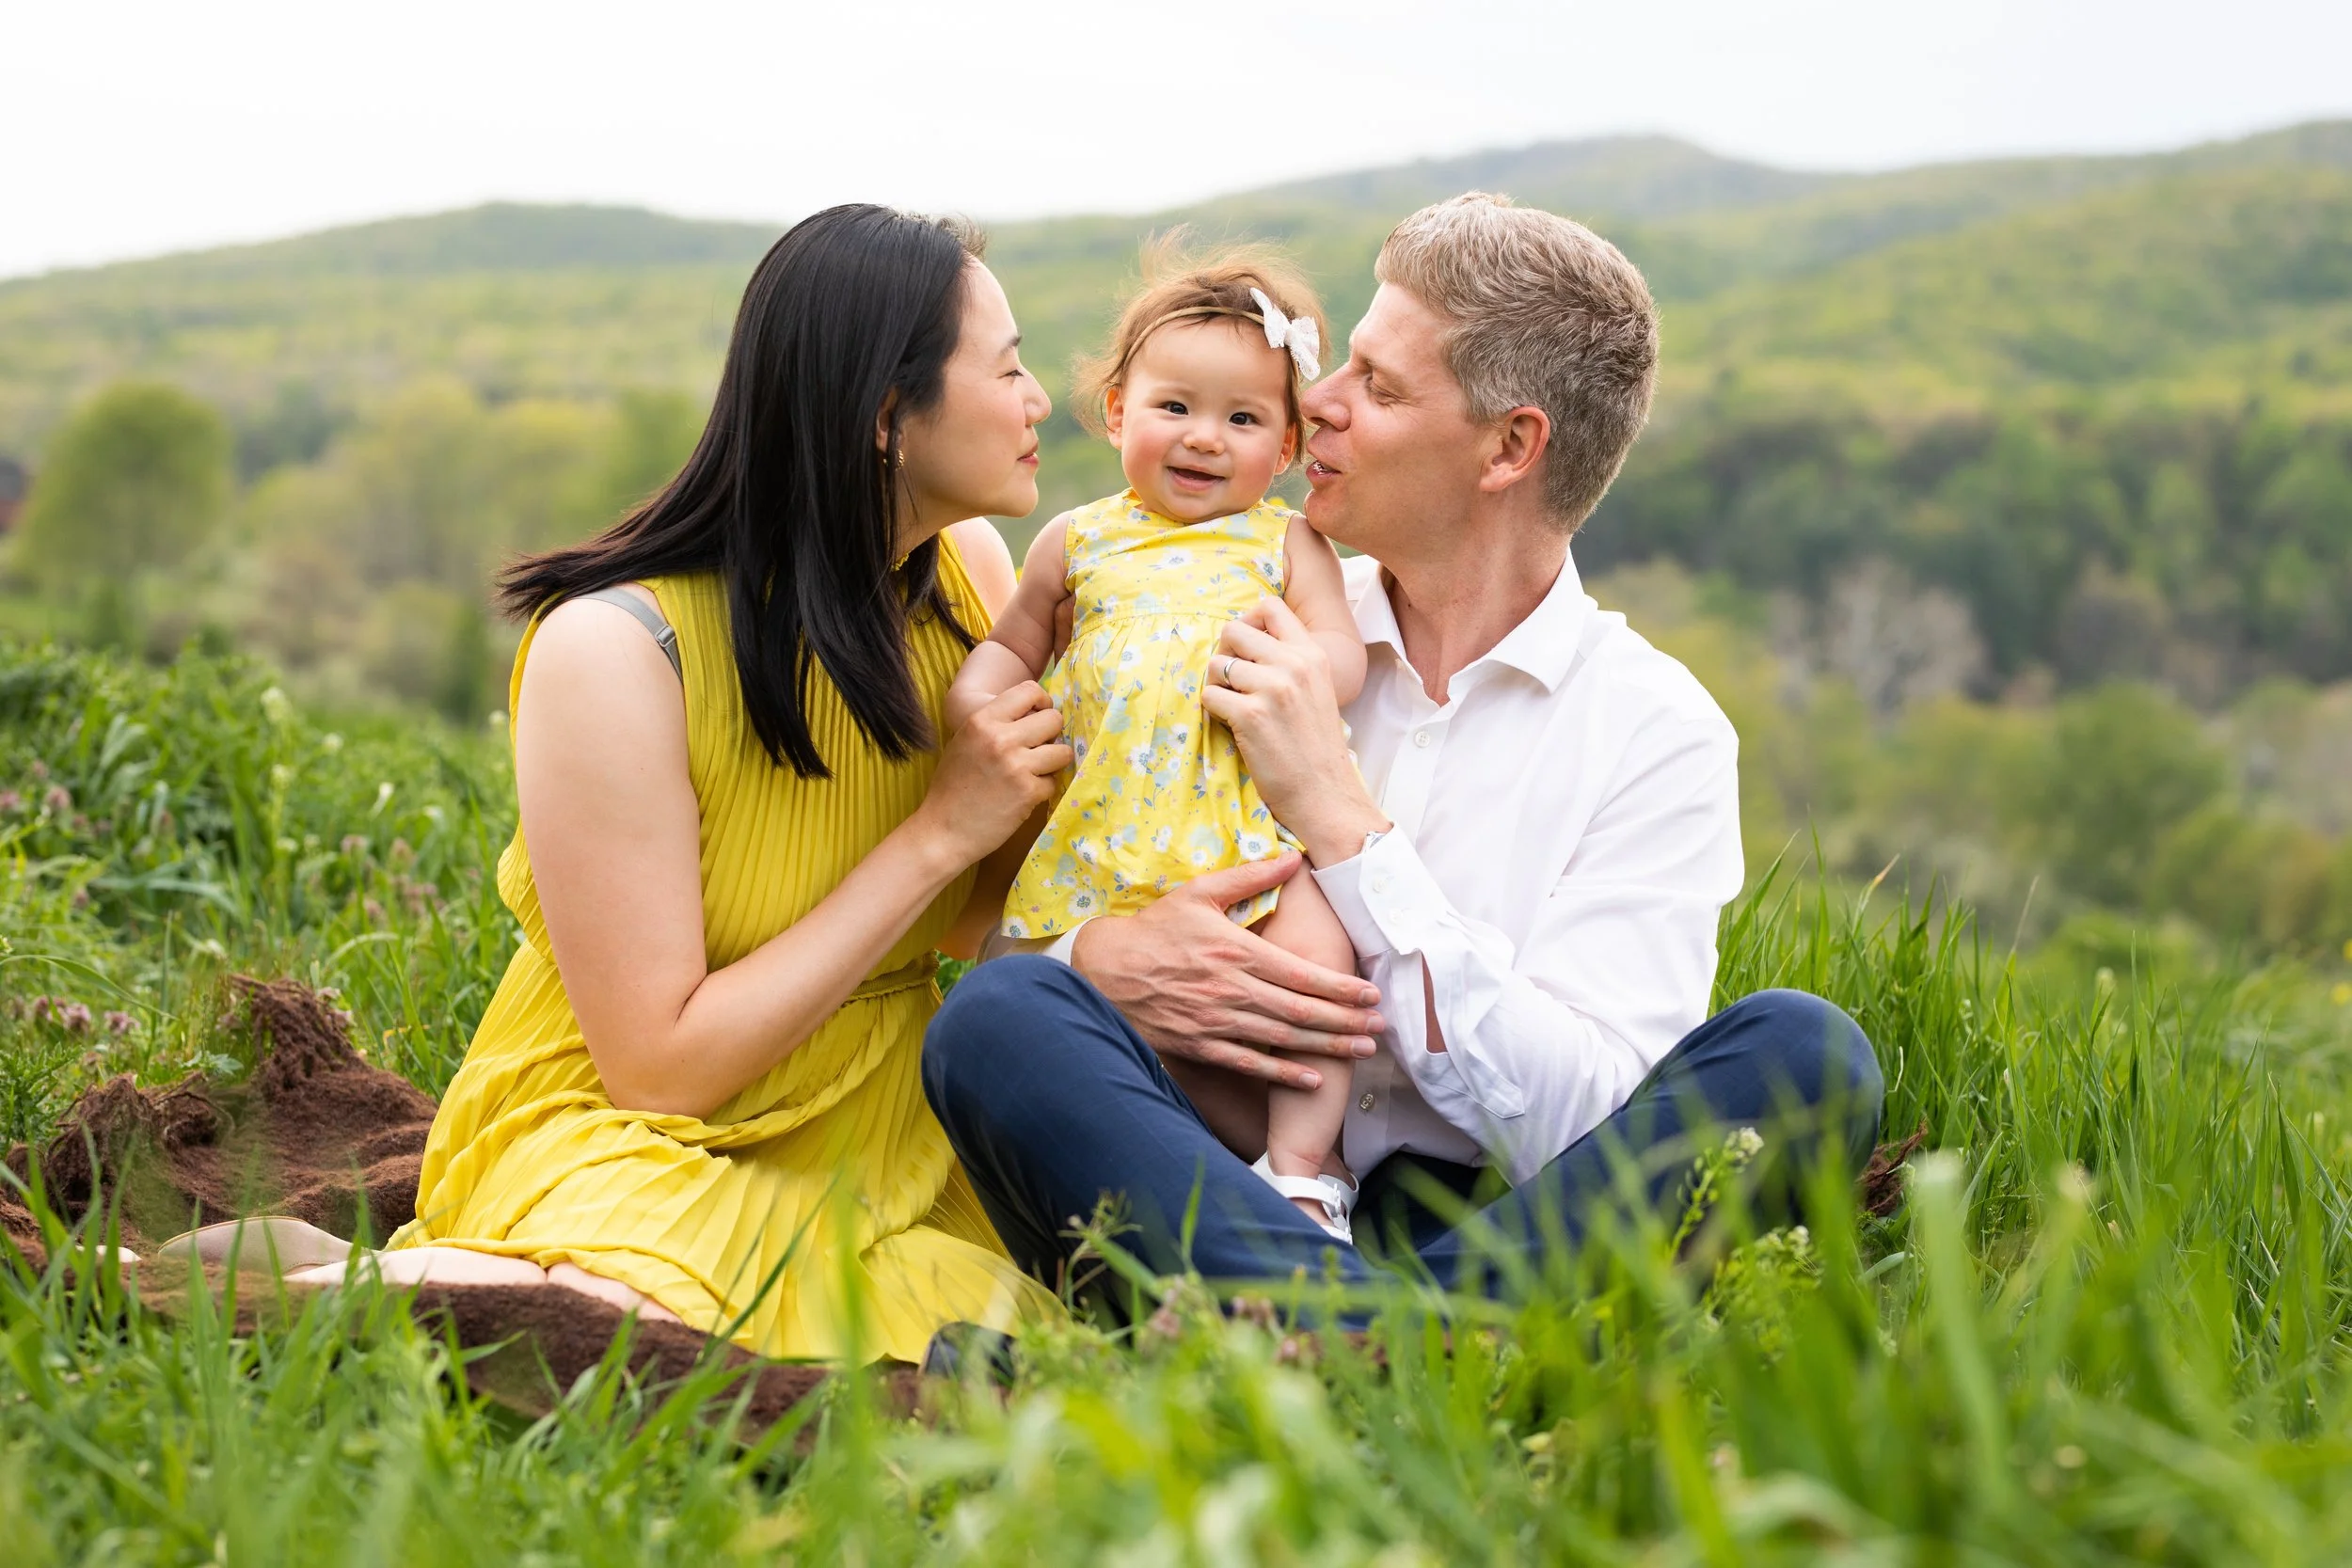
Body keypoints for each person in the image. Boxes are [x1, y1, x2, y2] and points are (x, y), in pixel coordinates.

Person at [924, 194, 1885, 1296]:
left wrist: (1339, 816)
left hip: (1489, 1221)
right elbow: (1049, 897)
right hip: (1205, 1178)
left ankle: (1317, 1339)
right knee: (995, 1016)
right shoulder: (1212, 621)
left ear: (1509, 447)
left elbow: (1594, 1125)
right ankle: (1407, 1349)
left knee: (1807, 1058)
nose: (1314, 404)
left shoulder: (1653, 732)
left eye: (1375, 385)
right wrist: (1096, 961)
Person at [307, 205, 1073, 1363]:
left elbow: (970, 924)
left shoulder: (968, 578)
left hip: (884, 1128)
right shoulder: (616, 651)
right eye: (1008, 367)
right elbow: (661, 1068)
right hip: (644, 1127)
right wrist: (939, 829)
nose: (1038, 401)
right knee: (622, 1324)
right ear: (883, 416)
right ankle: (278, 1281)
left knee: (1035, 1333)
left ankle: (352, 1268)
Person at [944, 249, 1367, 1239]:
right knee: (1100, 1014)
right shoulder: (1077, 539)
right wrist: (978, 696)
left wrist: (1300, 673)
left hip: (1250, 822)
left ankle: (1308, 1171)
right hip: (1112, 834)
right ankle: (1135, 1193)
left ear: (1290, 444)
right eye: (1175, 407)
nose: (1204, 439)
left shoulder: (1283, 542)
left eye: (1244, 418)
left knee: (1316, 965)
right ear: (1117, 409)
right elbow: (1017, 640)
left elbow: (1340, 648)